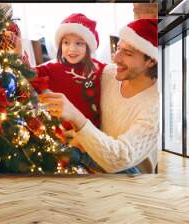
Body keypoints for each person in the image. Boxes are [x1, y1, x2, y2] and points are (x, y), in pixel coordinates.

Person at [39, 19, 159, 174]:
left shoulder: (154, 108)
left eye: (128, 53)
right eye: (118, 48)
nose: (116, 59)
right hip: (89, 161)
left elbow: (120, 159)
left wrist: (77, 118)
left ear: (151, 61)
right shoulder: (109, 74)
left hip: (129, 178)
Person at [33, 13, 107, 130]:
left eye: (79, 43)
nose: (72, 49)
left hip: (92, 134)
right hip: (63, 136)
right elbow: (28, 74)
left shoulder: (100, 68)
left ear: (88, 45)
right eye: (66, 43)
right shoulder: (50, 68)